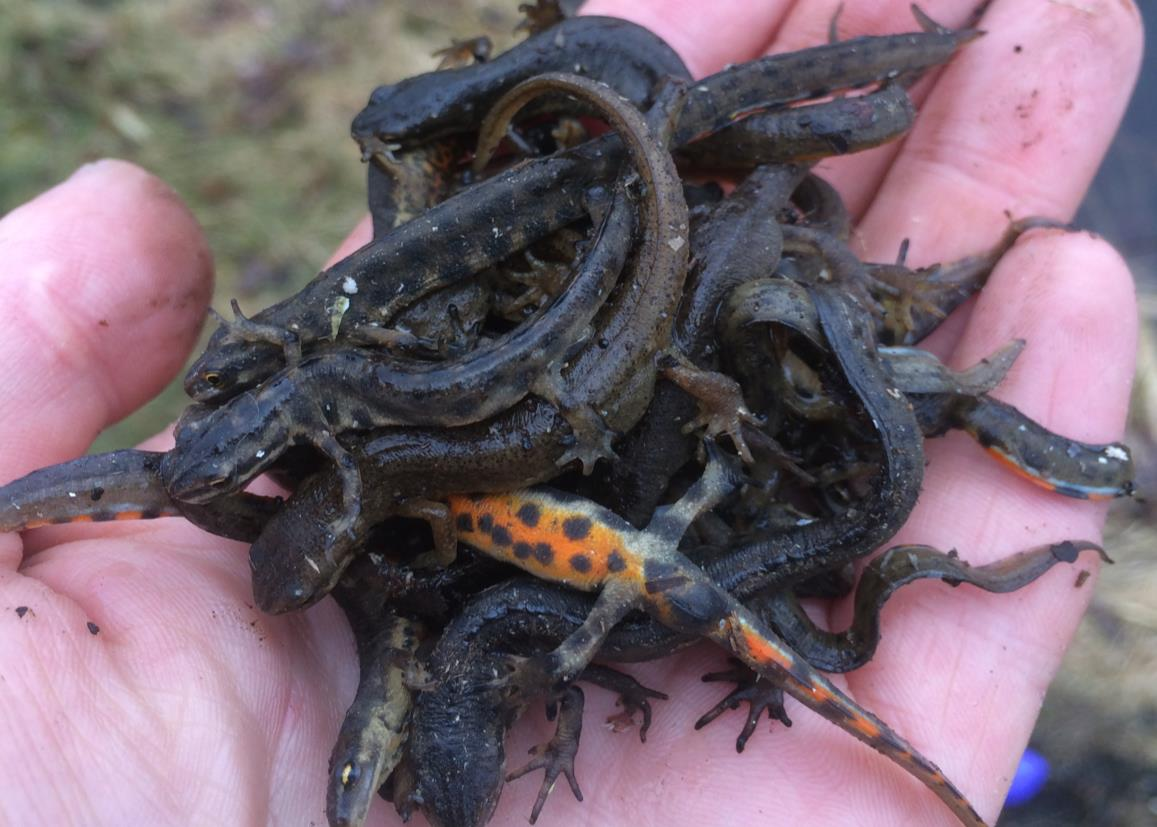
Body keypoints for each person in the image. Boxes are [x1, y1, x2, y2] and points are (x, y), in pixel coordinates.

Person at [0, 1, 1142, 824]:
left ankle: (693, 194)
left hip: (610, 419)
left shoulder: (383, 471)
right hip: (590, 474)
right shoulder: (385, 503)